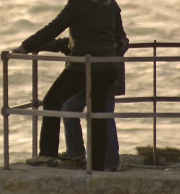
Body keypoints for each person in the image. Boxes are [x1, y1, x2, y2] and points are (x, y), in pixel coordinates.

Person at [11, 0, 127, 171]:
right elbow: (121, 38)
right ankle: (98, 165)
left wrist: (26, 46)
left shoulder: (79, 1)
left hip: (83, 65)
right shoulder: (111, 3)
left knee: (52, 100)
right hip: (109, 67)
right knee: (98, 114)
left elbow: (53, 28)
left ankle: (47, 154)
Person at [46, 35, 129, 171]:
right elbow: (69, 44)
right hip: (92, 78)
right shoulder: (99, 22)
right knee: (73, 109)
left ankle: (108, 161)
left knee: (102, 117)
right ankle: (81, 154)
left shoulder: (106, 22)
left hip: (103, 78)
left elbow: (123, 42)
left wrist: (115, 46)